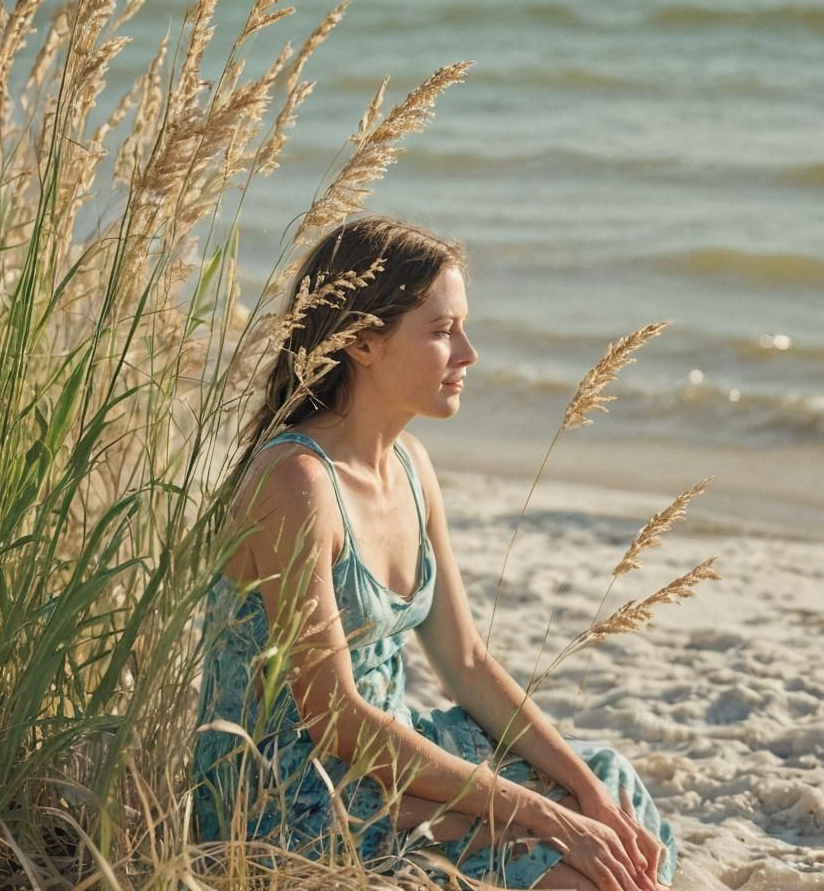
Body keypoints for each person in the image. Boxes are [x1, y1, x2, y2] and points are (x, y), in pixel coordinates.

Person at [192, 215, 678, 890]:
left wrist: (582, 795)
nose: (469, 354)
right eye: (444, 331)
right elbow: (334, 718)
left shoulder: (412, 466)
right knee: (566, 862)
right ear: (364, 342)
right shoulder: (295, 483)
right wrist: (539, 816)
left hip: (381, 764)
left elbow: (469, 662)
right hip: (286, 797)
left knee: (614, 799)